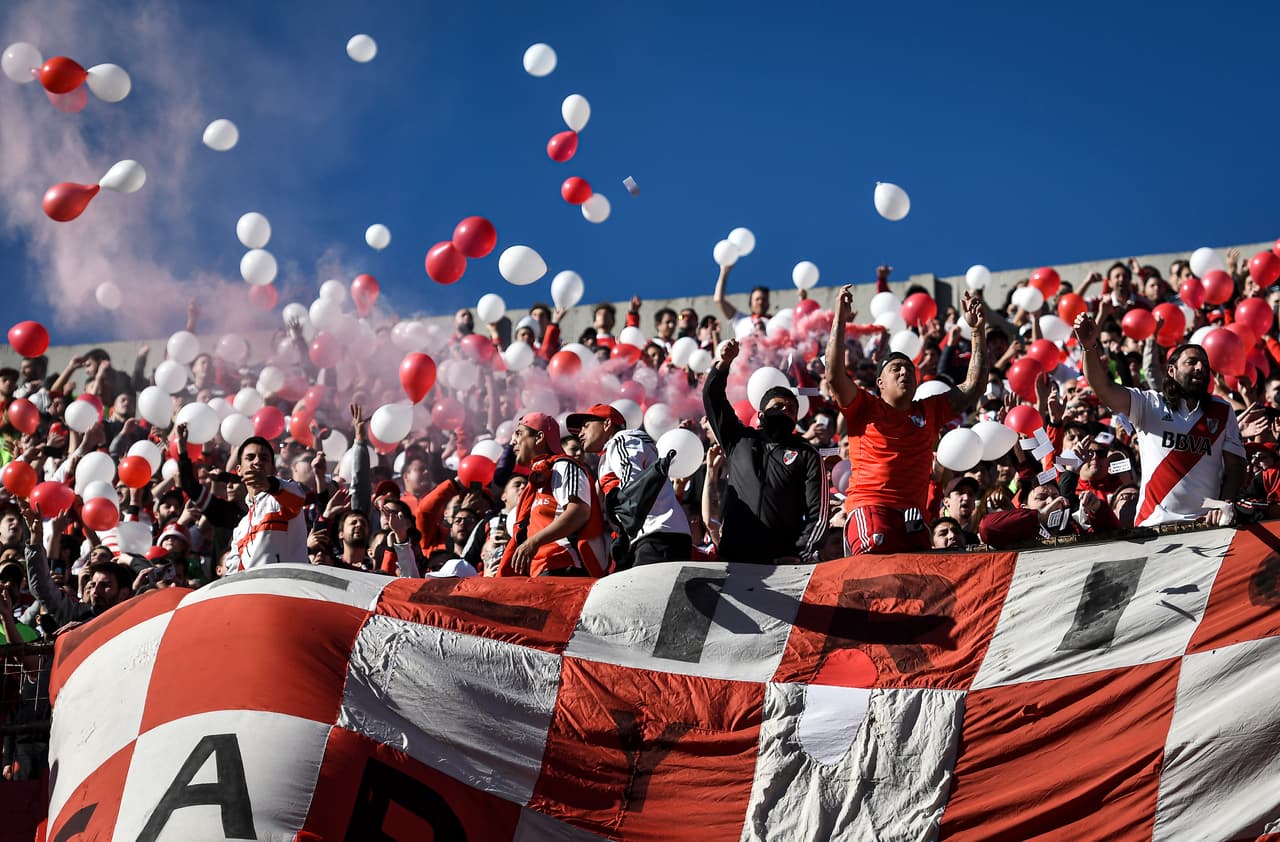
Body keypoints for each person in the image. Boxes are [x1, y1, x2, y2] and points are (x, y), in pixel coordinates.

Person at [825, 285, 989, 554]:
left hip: (915, 520)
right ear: (879, 383)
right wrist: (839, 320)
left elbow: (973, 387)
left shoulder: (930, 410)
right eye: (895, 369)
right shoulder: (863, 406)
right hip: (871, 508)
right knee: (873, 570)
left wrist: (976, 331)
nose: (905, 372)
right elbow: (834, 376)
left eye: (909, 369)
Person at [1073, 313, 1248, 526]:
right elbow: (1104, 388)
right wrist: (1089, 348)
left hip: (1206, 527)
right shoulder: (1148, 404)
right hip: (1152, 526)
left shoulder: (1222, 410)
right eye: (1191, 362)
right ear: (1172, 371)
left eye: (1204, 364)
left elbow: (1235, 465)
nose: (1200, 368)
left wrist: (1224, 503)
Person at [702, 339, 826, 564]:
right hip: (732, 559)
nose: (785, 411)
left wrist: (799, 554)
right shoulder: (738, 439)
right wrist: (724, 363)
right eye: (778, 406)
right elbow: (713, 397)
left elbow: (818, 514)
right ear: (761, 415)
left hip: (782, 564)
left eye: (791, 409)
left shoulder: (807, 454)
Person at [568, 403, 691, 566]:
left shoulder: (621, 441)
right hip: (658, 535)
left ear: (607, 424)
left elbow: (632, 483)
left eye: (586, 426)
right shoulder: (611, 452)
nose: (580, 434)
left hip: (655, 535)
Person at [497, 412, 607, 577]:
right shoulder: (535, 482)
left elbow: (579, 512)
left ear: (539, 437)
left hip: (565, 567)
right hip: (542, 572)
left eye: (519, 434)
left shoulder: (563, 465)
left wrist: (532, 543)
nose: (513, 441)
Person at [224, 434, 309, 573]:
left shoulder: (281, 497)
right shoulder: (241, 527)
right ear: (239, 470)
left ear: (273, 469)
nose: (257, 462)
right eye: (250, 457)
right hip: (253, 592)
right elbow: (233, 573)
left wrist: (271, 484)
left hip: (285, 590)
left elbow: (298, 499)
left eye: (264, 458)